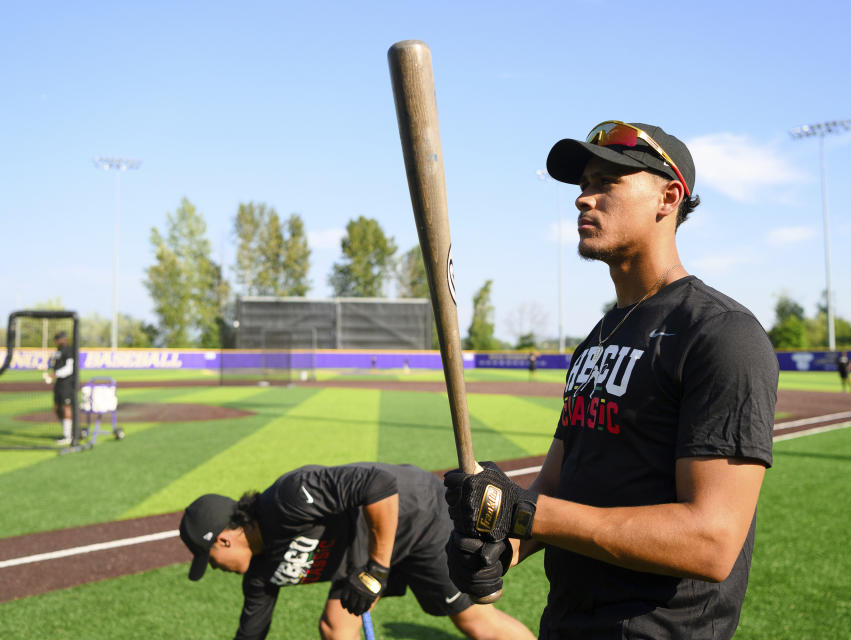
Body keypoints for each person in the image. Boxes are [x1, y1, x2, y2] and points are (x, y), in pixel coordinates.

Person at [444, 121, 779, 639]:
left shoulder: (719, 333)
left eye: (608, 182)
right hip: (567, 623)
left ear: (669, 197)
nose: (584, 199)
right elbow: (558, 482)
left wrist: (526, 514)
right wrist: (502, 545)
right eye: (583, 185)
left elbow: (711, 542)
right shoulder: (598, 338)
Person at [179, 463, 535, 640]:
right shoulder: (259, 575)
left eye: (208, 559)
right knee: (335, 627)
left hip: (416, 514)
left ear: (224, 539)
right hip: (366, 552)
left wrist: (377, 571)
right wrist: (372, 568)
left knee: (472, 619)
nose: (214, 568)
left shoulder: (287, 498)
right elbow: (250, 635)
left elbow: (377, 484)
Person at [46, 330, 75, 445]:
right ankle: (66, 433)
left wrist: (55, 374)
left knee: (66, 407)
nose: (58, 341)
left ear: (65, 339)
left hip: (67, 384)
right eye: (57, 339)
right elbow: (55, 364)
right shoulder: (58, 351)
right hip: (59, 383)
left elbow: (69, 369)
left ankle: (68, 436)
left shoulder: (69, 350)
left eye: (60, 338)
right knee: (57, 408)